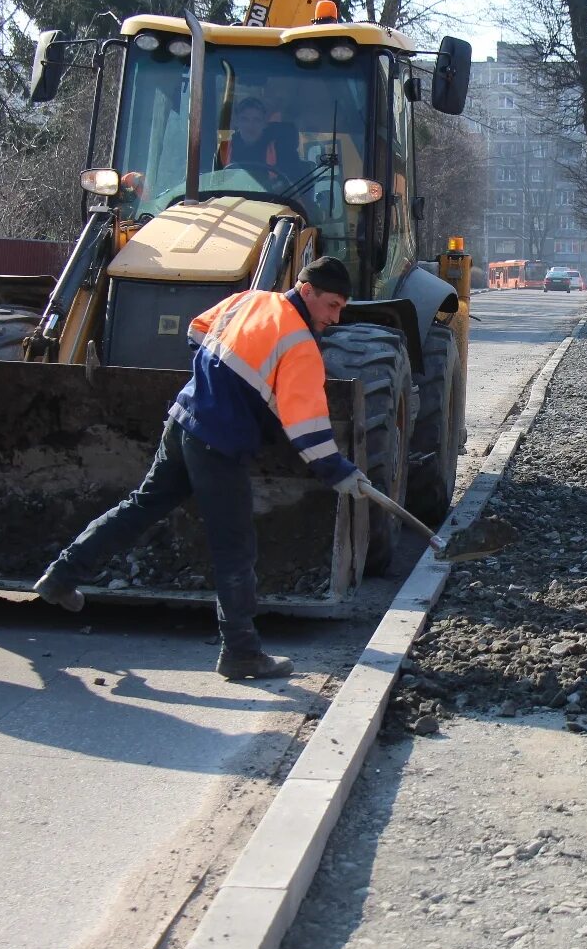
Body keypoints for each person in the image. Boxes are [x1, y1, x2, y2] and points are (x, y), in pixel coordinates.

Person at [33, 256, 369, 680]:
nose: (335, 318)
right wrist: (338, 471)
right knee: (235, 547)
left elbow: (197, 331)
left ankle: (61, 575)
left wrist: (218, 385)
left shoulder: (249, 299)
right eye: (332, 306)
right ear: (306, 292)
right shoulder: (300, 343)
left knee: (141, 506)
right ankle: (241, 651)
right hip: (219, 443)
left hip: (183, 420)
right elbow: (307, 428)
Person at [219, 96, 300, 181]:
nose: (250, 125)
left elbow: (292, 185)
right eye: (244, 119)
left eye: (257, 120)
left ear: (264, 124)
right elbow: (215, 181)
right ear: (237, 123)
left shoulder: (281, 149)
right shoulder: (225, 149)